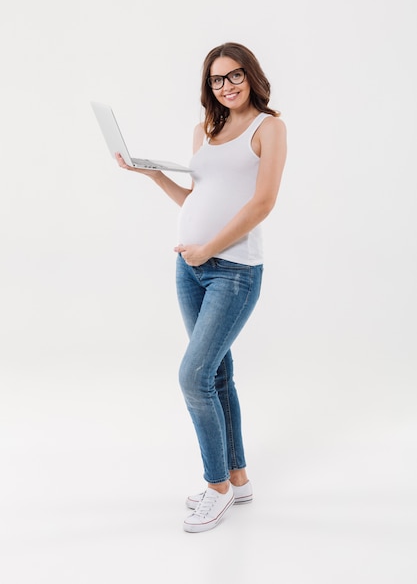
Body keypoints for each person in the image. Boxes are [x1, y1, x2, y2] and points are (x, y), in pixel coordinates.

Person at [116, 42, 287, 533]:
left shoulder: (268, 128)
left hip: (233, 271)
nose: (227, 86)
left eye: (235, 76)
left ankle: (216, 490)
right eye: (217, 80)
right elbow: (197, 196)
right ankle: (238, 478)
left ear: (251, 76)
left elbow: (263, 203)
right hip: (189, 268)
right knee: (215, 375)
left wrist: (207, 248)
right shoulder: (205, 131)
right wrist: (152, 176)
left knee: (194, 376)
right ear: (208, 87)